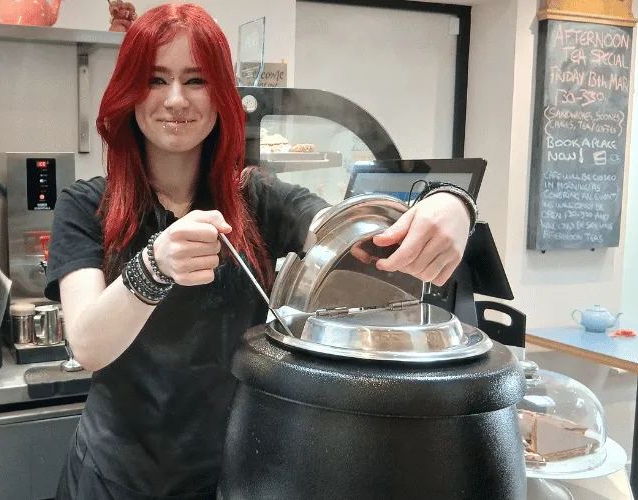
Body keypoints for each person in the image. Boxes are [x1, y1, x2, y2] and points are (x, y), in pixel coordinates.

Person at [44, 3, 477, 499]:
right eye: (156, 79)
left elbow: (354, 235)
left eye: (197, 80)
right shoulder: (86, 206)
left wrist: (451, 203)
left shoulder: (258, 198)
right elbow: (88, 347)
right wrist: (152, 267)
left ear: (222, 95)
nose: (176, 100)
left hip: (234, 475)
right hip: (114, 479)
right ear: (128, 92)